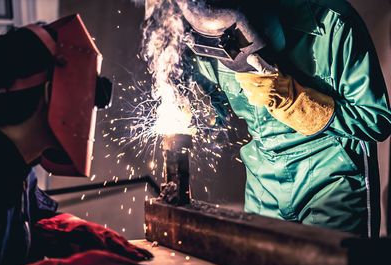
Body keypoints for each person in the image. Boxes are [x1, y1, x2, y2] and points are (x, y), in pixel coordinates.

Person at [145, 0, 391, 236]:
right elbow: (215, 102)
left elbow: (376, 121)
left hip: (332, 182)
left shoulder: (332, 22)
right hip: (263, 187)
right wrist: (199, 111)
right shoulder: (200, 25)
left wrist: (296, 100)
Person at [0, 14, 152, 265]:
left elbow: (32, 218)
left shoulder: (17, 167)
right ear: (50, 93)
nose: (86, 105)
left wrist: (69, 229)